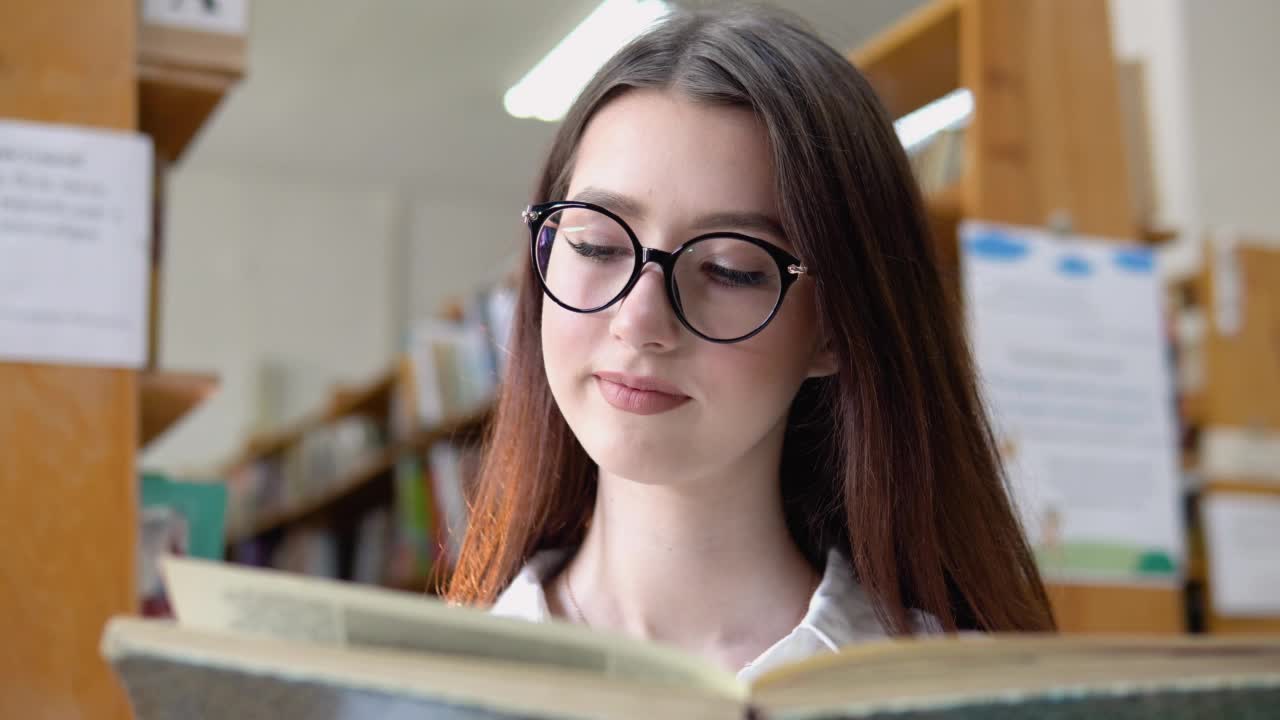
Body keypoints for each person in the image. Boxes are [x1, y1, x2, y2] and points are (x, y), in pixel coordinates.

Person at [446, 4, 1055, 679]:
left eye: (730, 269)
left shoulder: (963, 694)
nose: (640, 320)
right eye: (596, 244)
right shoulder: (430, 688)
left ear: (834, 329)